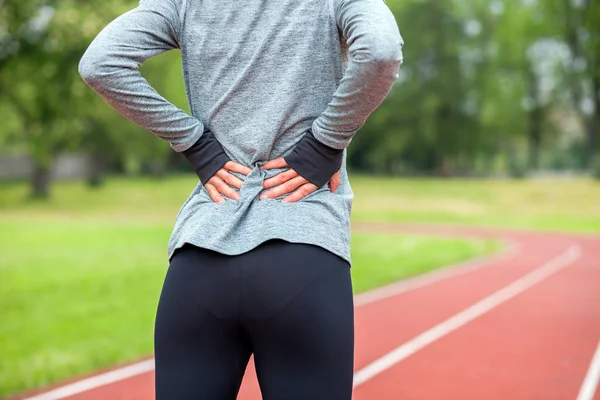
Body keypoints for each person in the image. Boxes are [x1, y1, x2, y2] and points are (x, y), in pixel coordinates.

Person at [78, 0, 403, 398]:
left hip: (200, 260)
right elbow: (382, 50)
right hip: (303, 251)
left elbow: (100, 63)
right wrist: (325, 142)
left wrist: (194, 142)